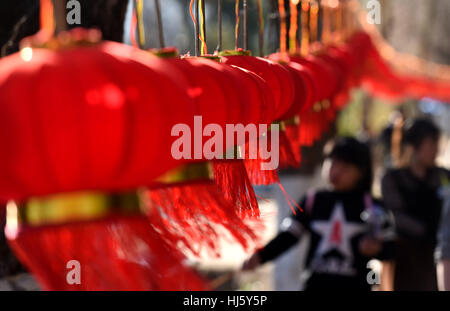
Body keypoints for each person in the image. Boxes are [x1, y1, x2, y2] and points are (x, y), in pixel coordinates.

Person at [243, 137, 394, 291]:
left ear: (361, 172)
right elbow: (289, 235)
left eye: (345, 167)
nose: (336, 171)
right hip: (315, 285)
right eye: (332, 163)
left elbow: (391, 248)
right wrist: (260, 257)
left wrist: (377, 249)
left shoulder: (372, 205)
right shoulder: (313, 200)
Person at [381, 117, 450, 291]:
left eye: (436, 144)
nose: (435, 150)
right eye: (431, 144)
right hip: (406, 261)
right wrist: (431, 231)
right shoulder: (393, 179)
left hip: (438, 259)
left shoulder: (443, 176)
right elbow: (397, 216)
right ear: (413, 146)